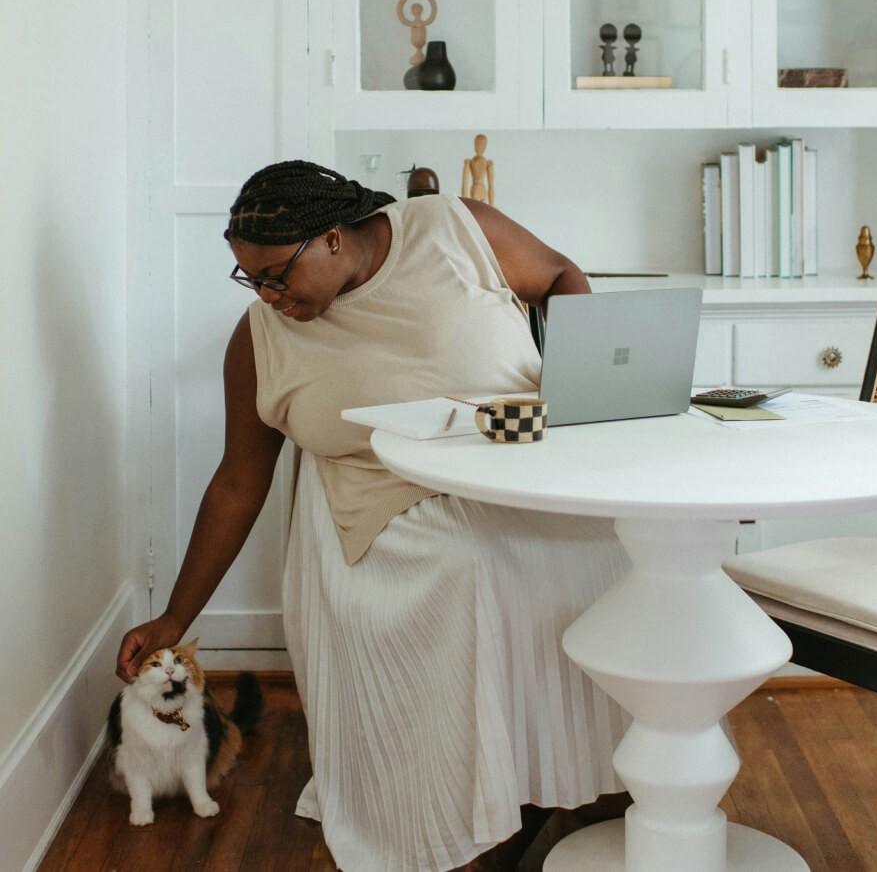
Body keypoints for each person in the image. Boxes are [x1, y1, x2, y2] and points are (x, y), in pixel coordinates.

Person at [116, 160, 631, 872]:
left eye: (275, 275)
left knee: (611, 553)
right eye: (249, 279)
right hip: (387, 510)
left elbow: (561, 276)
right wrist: (173, 619)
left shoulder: (456, 230)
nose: (266, 296)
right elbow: (238, 482)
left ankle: (580, 778)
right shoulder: (260, 339)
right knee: (473, 569)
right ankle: (482, 815)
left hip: (529, 476)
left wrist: (584, 391)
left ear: (332, 238)